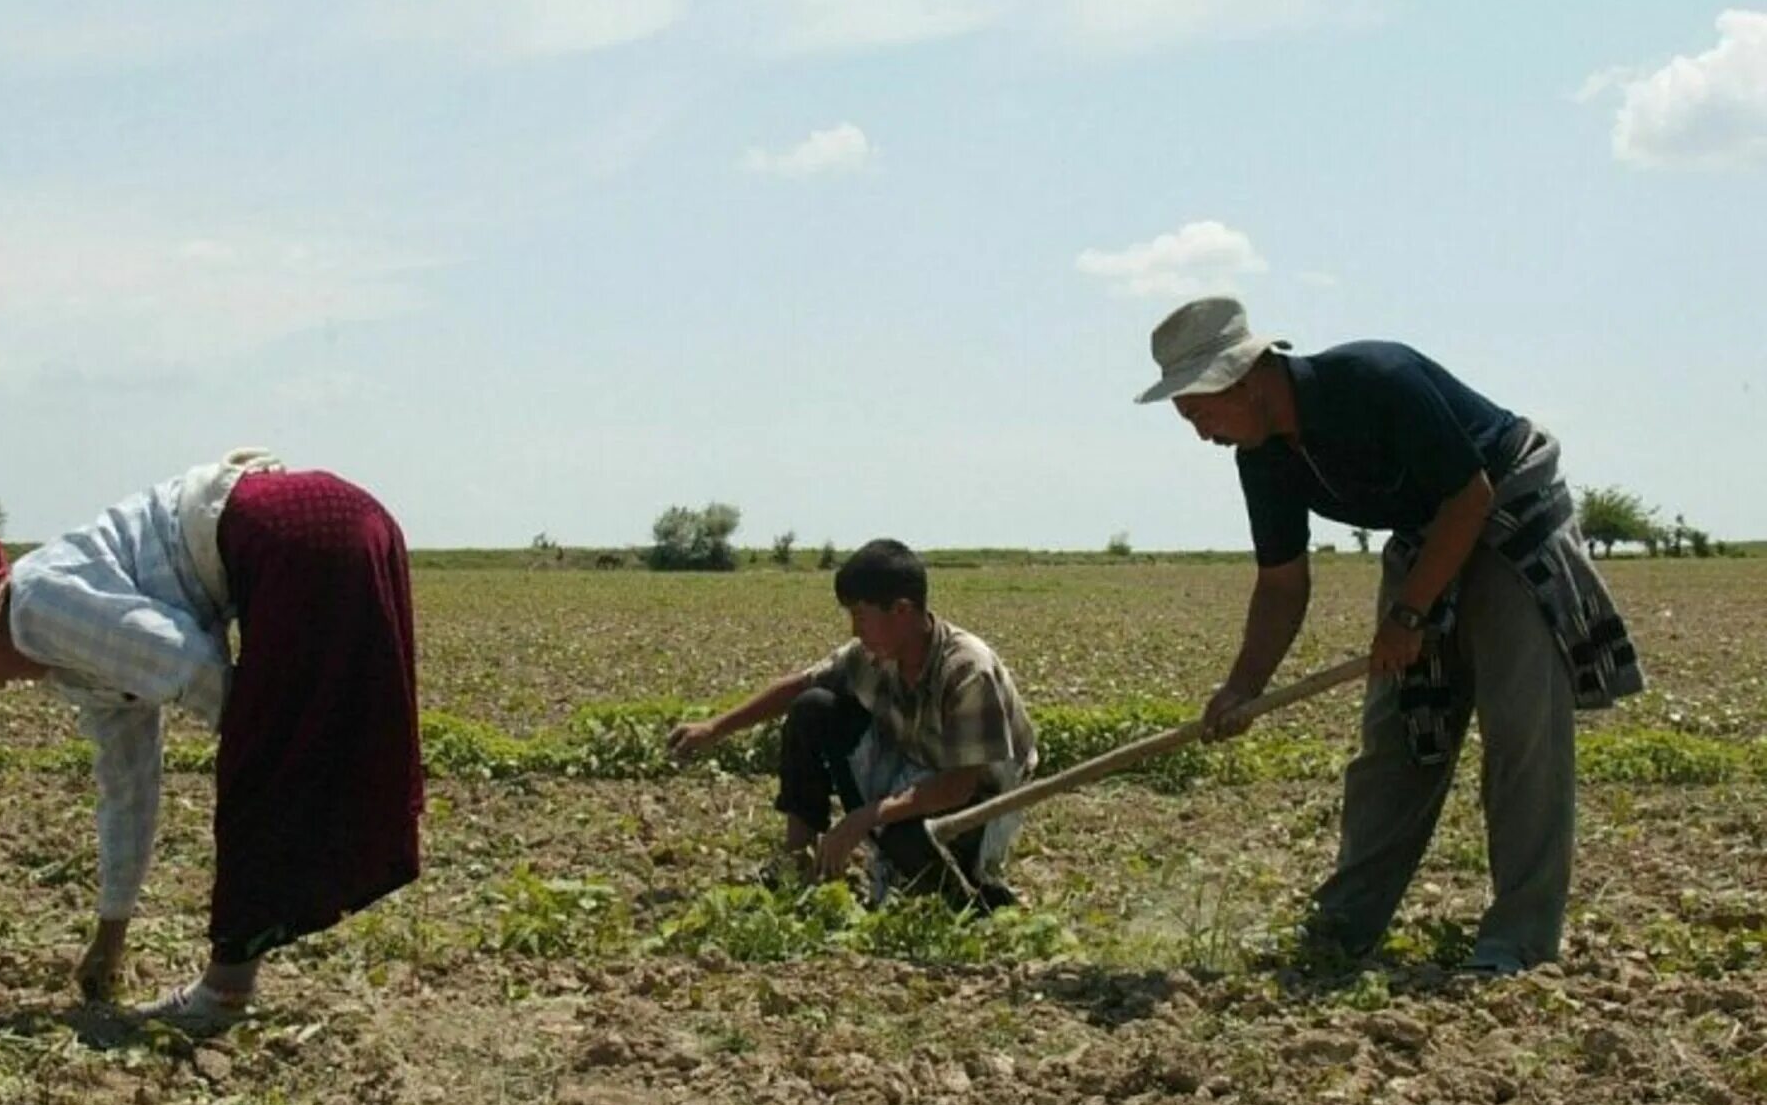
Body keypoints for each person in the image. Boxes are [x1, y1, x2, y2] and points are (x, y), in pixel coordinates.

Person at [1137, 298, 1643, 973]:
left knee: (1522, 732)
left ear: (1244, 378)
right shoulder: (1263, 459)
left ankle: (1517, 941)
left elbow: (1471, 497)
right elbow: (1283, 583)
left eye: (1200, 413)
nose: (1201, 433)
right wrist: (1242, 688)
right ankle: (1343, 925)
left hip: (1506, 511)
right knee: (1399, 738)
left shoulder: (1376, 380)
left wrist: (1408, 617)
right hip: (1427, 539)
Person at [0, 450, 424, 1027]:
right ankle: (235, 980)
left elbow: (191, 665)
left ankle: (223, 995)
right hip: (335, 526)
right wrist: (110, 934)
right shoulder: (67, 656)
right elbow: (128, 789)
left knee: (261, 772)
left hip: (304, 536)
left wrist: (261, 754)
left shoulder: (37, 608)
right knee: (280, 762)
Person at [667, 539, 1035, 908]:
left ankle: (972, 895)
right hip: (913, 766)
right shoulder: (873, 655)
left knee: (904, 839)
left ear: (902, 611)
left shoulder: (967, 671)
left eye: (861, 614)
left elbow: (958, 785)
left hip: (980, 796)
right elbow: (800, 684)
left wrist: (864, 818)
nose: (855, 629)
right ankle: (799, 865)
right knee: (812, 707)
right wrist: (715, 728)